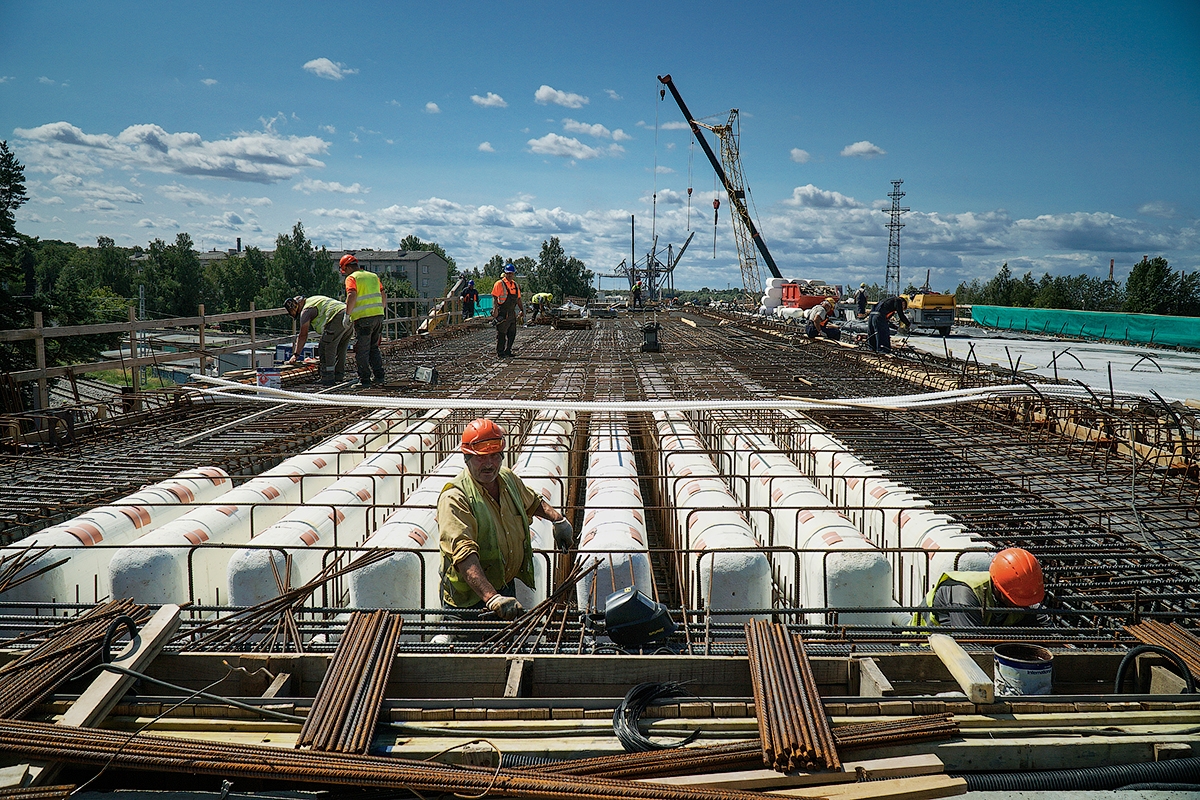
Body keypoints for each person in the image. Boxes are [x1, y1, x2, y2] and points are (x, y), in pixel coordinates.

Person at [437, 418, 574, 620]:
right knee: (473, 649)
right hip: (471, 602)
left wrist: (558, 520)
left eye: (495, 456)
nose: (489, 464)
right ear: (466, 457)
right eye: (481, 457)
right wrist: (492, 598)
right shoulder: (455, 497)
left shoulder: (507, 479)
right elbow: (463, 554)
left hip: (504, 588)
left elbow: (532, 502)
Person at [912, 548, 1045, 628]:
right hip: (922, 652)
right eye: (1018, 601)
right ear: (999, 589)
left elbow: (1041, 619)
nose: (1023, 606)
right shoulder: (964, 595)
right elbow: (971, 648)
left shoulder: (1019, 589)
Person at [340, 254, 387, 388]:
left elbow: (352, 294)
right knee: (373, 348)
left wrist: (347, 314)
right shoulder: (373, 276)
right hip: (378, 316)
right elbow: (383, 294)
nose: (345, 273)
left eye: (344, 270)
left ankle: (364, 380)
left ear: (348, 267)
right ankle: (379, 376)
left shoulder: (352, 278)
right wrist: (380, 311)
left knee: (362, 350)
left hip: (364, 319)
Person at [284, 295, 352, 386]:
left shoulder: (306, 311)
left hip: (337, 317)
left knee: (325, 347)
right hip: (348, 315)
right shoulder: (313, 300)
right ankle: (338, 376)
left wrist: (296, 355)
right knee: (341, 348)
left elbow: (303, 335)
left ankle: (328, 378)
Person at [491, 263, 523, 357]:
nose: (509, 275)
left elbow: (518, 299)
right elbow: (495, 297)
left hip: (511, 313)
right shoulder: (499, 284)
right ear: (505, 273)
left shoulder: (515, 285)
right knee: (501, 333)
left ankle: (508, 351)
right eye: (508, 273)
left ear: (513, 274)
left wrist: (522, 310)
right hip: (503, 312)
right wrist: (495, 309)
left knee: (512, 333)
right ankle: (500, 352)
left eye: (511, 273)